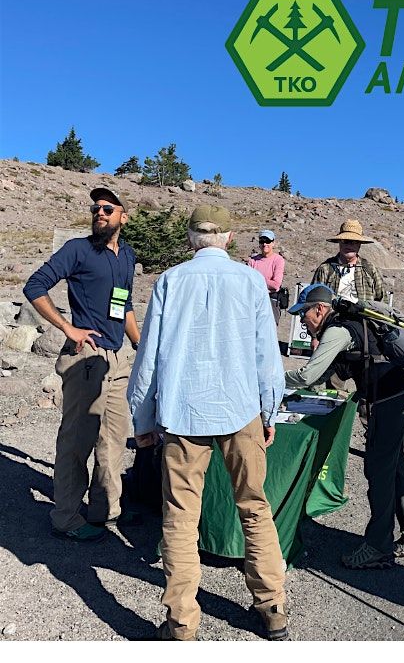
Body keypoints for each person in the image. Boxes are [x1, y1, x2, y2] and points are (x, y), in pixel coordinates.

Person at [127, 205, 288, 641]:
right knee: (254, 506)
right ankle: (272, 606)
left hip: (184, 411)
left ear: (190, 239)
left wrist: (141, 415)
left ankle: (181, 623)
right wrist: (270, 410)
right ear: (230, 238)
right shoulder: (251, 280)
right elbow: (265, 355)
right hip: (240, 410)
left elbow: (149, 357)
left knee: (180, 517)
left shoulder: (171, 280)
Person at [285, 283, 404, 569]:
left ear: (319, 309)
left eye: (303, 313)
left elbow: (308, 375)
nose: (301, 320)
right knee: (396, 465)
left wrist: (270, 382)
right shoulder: (349, 324)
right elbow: (332, 372)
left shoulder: (338, 329)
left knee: (378, 470)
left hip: (392, 398)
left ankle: (378, 546)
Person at [23, 187, 141, 543]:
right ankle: (66, 517)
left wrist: (140, 343)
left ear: (123, 216)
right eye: (95, 208)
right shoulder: (78, 249)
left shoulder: (128, 256)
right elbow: (35, 285)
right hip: (86, 357)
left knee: (114, 439)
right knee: (77, 440)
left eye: (108, 208)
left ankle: (105, 510)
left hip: (119, 358)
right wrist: (66, 326)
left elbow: (125, 303)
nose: (100, 213)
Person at [312, 219, 385, 303]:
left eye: (354, 242)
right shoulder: (325, 269)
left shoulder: (369, 269)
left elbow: (382, 301)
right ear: (339, 242)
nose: (349, 245)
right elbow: (314, 301)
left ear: (359, 244)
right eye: (345, 241)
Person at [248, 229, 286, 325]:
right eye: (262, 241)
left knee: (270, 329)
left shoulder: (278, 260)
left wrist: (257, 279)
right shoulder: (252, 261)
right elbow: (247, 282)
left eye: (268, 241)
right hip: (254, 300)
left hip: (271, 300)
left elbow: (276, 285)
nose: (265, 244)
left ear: (273, 243)